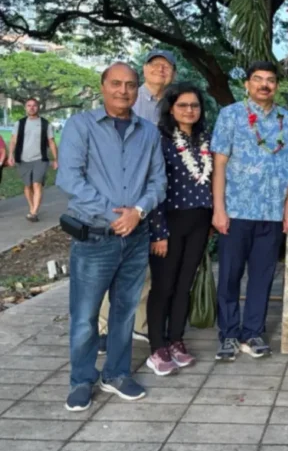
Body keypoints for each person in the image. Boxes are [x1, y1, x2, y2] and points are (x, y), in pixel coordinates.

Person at [57, 62, 166, 411]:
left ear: (137, 90)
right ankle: (81, 380)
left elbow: (158, 183)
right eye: (116, 84)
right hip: (94, 239)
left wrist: (138, 212)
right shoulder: (80, 126)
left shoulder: (148, 132)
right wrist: (112, 214)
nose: (124, 90)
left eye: (130, 85)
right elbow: (69, 179)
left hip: (135, 237)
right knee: (86, 316)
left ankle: (117, 374)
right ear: (103, 86)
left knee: (124, 313)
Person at [211, 61, 288, 361]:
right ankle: (228, 334)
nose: (264, 84)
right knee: (229, 276)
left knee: (262, 277)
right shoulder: (230, 116)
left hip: (271, 214)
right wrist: (219, 210)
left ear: (276, 85)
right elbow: (220, 164)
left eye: (270, 80)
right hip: (236, 211)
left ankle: (252, 332)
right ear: (247, 84)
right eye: (257, 79)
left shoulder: (287, 121)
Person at [97, 48, 178, 353]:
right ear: (143, 70)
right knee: (115, 261)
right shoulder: (130, 98)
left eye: (167, 66)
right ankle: (105, 327)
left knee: (147, 261)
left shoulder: (172, 103)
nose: (161, 70)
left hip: (160, 190)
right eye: (155, 64)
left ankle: (139, 324)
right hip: (126, 192)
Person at [145, 83, 213, 376]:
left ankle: (176, 340)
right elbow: (154, 187)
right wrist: (158, 232)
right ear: (171, 108)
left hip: (199, 221)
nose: (189, 110)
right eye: (183, 105)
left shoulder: (205, 139)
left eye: (195, 105)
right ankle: (157, 346)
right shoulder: (159, 140)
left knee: (184, 284)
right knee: (164, 286)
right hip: (169, 221)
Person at [8, 98, 58, 222]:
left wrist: (56, 159)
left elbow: (51, 142)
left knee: (37, 184)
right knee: (27, 186)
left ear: (38, 107)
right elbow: (13, 140)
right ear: (25, 108)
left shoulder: (45, 124)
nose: (31, 108)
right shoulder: (19, 123)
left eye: (34, 105)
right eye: (29, 105)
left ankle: (34, 212)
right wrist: (10, 155)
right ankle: (32, 208)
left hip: (40, 159)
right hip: (23, 159)